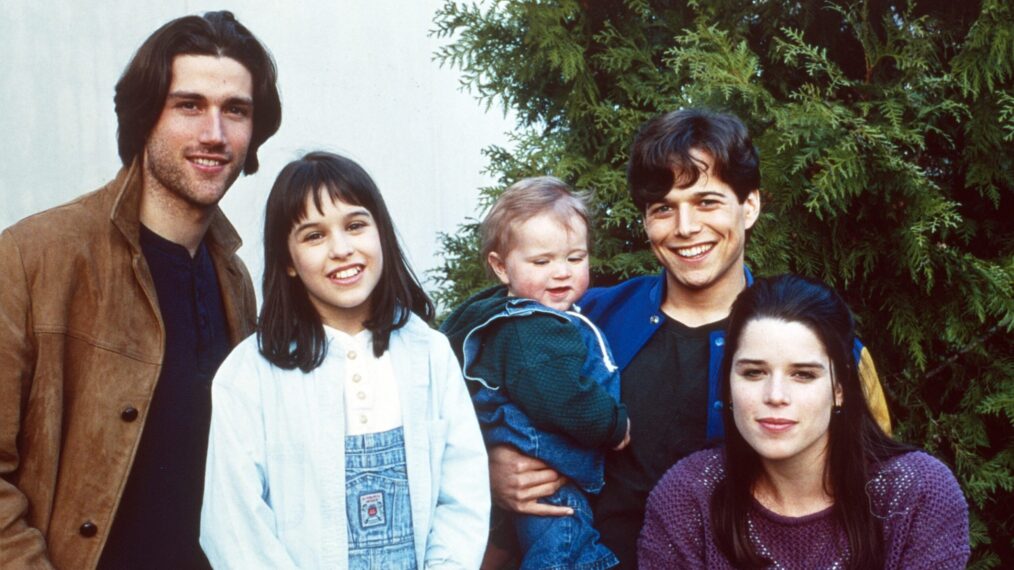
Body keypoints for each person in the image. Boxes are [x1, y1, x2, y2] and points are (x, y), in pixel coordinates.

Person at [487, 109, 893, 568]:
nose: (684, 227)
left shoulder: (817, 345)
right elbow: (472, 407)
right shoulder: (584, 322)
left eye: (707, 202)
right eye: (663, 207)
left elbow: (873, 489)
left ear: (750, 206)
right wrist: (492, 470)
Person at [0, 11, 281, 569]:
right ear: (145, 115)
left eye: (236, 111)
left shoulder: (235, 280)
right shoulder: (34, 258)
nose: (214, 134)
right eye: (189, 105)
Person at [199, 151, 489, 569]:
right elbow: (234, 525)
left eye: (355, 226)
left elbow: (463, 491)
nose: (341, 249)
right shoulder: (249, 375)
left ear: (381, 234)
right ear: (289, 262)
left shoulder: (429, 353)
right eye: (313, 236)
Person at [639, 274, 970, 568]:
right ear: (727, 384)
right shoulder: (689, 497)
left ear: (839, 388)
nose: (776, 395)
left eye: (803, 374)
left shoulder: (915, 494)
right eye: (754, 373)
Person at [441, 177, 631, 569]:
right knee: (563, 541)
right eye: (541, 262)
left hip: (529, 461)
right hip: (543, 470)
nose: (560, 272)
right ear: (500, 267)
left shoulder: (511, 313)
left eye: (574, 258)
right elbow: (567, 400)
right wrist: (615, 425)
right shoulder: (535, 330)